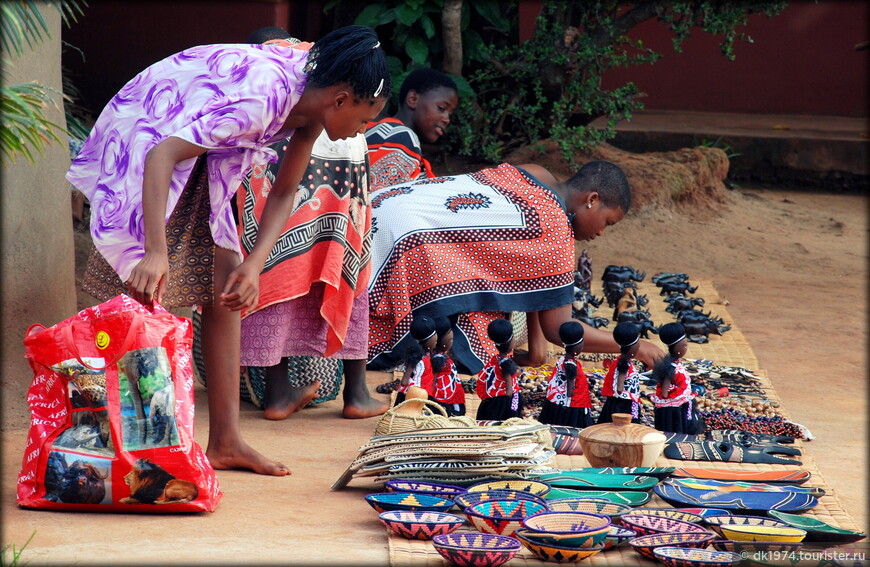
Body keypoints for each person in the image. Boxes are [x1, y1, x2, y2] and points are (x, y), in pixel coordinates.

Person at [67, 25, 391, 475]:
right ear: (340, 99)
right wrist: (156, 251)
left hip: (201, 147)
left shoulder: (313, 104)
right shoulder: (263, 100)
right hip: (149, 129)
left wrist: (255, 266)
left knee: (228, 282)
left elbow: (285, 192)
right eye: (364, 117)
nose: (363, 128)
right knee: (140, 283)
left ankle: (225, 442)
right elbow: (162, 155)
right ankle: (111, 436)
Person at [366, 160, 665, 376]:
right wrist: (632, 345)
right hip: (402, 240)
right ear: (592, 200)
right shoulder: (556, 231)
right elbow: (561, 330)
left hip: (384, 204)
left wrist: (537, 355)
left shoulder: (536, 173)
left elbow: (536, 280)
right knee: (486, 336)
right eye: (607, 223)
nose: (601, 233)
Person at [229, 29, 389, 421]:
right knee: (349, 265)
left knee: (273, 264)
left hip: (281, 168)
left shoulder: (264, 78)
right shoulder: (323, 70)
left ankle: (278, 393)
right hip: (345, 174)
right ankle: (356, 392)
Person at [366, 68, 459, 189]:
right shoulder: (400, 137)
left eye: (450, 114)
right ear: (413, 99)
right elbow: (378, 200)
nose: (447, 119)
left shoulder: (385, 131)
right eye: (441, 108)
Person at [537, 321, 594, 428]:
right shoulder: (571, 366)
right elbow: (570, 392)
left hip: (556, 402)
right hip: (571, 406)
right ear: (577, 346)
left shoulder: (561, 360)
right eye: (582, 342)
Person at [649, 322, 696, 433]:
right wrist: (672, 398)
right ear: (677, 349)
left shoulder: (673, 364)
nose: (686, 348)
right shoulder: (671, 367)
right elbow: (664, 392)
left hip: (676, 406)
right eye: (684, 346)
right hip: (672, 410)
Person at [476, 318, 523, 421]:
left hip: (493, 401)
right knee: (511, 423)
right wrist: (512, 408)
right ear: (511, 342)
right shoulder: (505, 364)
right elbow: (509, 391)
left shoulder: (494, 361)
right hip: (504, 403)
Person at [597, 322, 643, 423]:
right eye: (637, 346)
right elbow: (619, 389)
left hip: (618, 402)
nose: (638, 348)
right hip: (624, 405)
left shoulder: (620, 361)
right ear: (631, 348)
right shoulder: (624, 364)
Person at [393, 315, 437, 406]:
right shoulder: (420, 361)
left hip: (423, 391)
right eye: (435, 340)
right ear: (427, 341)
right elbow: (408, 381)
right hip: (418, 395)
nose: (436, 342)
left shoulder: (423, 356)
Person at [430, 317, 466, 417]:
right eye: (450, 340)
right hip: (444, 397)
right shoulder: (438, 361)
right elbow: (433, 383)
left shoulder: (442, 356)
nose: (451, 342)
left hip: (451, 391)